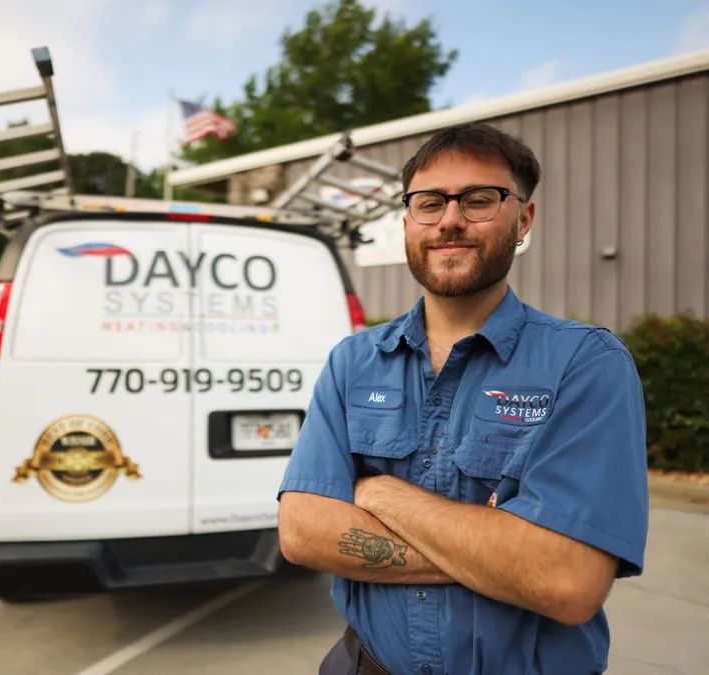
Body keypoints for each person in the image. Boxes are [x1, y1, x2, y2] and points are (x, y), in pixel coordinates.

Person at [276, 122, 650, 675]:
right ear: (407, 222)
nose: (450, 219)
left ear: (523, 219)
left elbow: (567, 581)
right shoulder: (352, 363)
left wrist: (380, 494)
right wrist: (501, 551)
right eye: (429, 203)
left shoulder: (586, 364)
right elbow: (303, 531)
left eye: (478, 200)